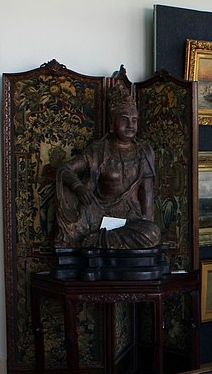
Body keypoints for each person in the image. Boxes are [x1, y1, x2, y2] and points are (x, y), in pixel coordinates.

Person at [55, 83, 161, 250]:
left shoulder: (144, 151)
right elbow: (64, 169)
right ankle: (106, 238)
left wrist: (146, 224)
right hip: (100, 216)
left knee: (152, 233)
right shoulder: (99, 150)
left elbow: (147, 192)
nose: (130, 125)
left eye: (134, 120)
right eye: (124, 120)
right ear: (112, 122)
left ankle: (100, 240)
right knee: (74, 226)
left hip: (131, 220)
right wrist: (78, 187)